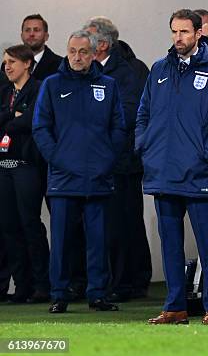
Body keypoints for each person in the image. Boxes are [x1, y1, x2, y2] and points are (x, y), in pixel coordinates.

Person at [137, 9, 208, 325]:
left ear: (198, 34)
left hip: (198, 172)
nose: (178, 38)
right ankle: (175, 307)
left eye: (184, 32)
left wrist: (205, 154)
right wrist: (145, 147)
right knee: (171, 246)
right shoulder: (158, 69)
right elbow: (143, 114)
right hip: (163, 171)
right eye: (174, 32)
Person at [32, 30, 126, 314]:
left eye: (83, 51)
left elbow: (119, 128)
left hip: (98, 177)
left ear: (94, 53)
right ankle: (59, 294)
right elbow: (41, 128)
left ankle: (97, 294)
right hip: (63, 178)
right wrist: (58, 159)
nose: (77, 57)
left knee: (98, 241)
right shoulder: (52, 85)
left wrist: (106, 162)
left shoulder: (108, 85)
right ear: (67, 51)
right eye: (72, 51)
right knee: (60, 242)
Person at [84, 18, 152, 301]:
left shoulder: (128, 72)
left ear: (102, 44)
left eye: (87, 38)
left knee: (125, 223)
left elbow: (128, 114)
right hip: (97, 161)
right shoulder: (86, 71)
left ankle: (129, 282)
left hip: (122, 161)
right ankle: (114, 280)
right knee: (106, 225)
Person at [0, 45, 50, 303]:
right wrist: (12, 115)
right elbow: (14, 120)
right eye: (5, 62)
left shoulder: (40, 89)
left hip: (27, 165)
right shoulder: (5, 92)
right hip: (4, 167)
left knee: (30, 224)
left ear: (27, 64)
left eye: (12, 62)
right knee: (9, 227)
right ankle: (21, 287)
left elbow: (32, 120)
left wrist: (11, 120)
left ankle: (42, 285)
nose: (7, 67)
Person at [18, 14, 62, 81]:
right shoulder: (8, 65)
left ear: (46, 36)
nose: (31, 34)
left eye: (36, 30)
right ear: (21, 36)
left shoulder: (60, 65)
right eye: (27, 30)